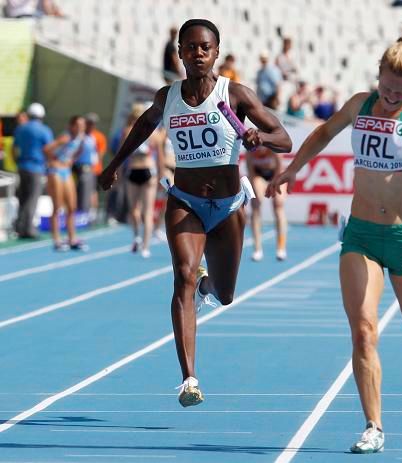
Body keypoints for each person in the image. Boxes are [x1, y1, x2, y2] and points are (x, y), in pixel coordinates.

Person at [267, 16, 402, 454]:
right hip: (362, 236)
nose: (390, 98)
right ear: (378, 77)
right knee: (363, 331)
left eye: (399, 92)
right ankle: (374, 426)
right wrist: (292, 169)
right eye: (386, 88)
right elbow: (321, 133)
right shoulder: (359, 104)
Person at [99, 19, 291, 407]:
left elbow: (284, 139)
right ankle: (189, 378)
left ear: (216, 52)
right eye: (190, 47)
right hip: (185, 200)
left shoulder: (234, 94)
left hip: (228, 205)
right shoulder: (166, 96)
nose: (198, 53)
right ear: (180, 53)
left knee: (225, 294)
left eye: (205, 47)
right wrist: (115, 162)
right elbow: (142, 127)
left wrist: (260, 137)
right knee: (183, 276)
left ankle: (210, 287)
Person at [122, 104, 164, 258]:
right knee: (142, 211)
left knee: (139, 210)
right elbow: (159, 157)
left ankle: (140, 240)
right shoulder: (153, 133)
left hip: (139, 170)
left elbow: (122, 154)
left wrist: (160, 175)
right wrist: (160, 175)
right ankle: (142, 243)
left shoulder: (129, 131)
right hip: (142, 170)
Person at [43, 115, 88, 251]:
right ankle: (57, 240)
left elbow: (78, 151)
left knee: (72, 206)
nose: (81, 128)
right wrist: (54, 159)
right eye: (78, 125)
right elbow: (46, 149)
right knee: (57, 206)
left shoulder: (81, 138)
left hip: (66, 171)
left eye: (82, 125)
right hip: (55, 171)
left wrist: (71, 160)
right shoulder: (65, 137)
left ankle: (72, 238)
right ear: (71, 126)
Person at [12, 103, 53, 239]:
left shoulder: (21, 129)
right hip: (36, 167)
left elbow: (14, 148)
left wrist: (17, 161)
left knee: (22, 198)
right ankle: (28, 228)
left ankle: (19, 226)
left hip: (22, 166)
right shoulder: (44, 130)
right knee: (32, 198)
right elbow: (49, 149)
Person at [246, 145, 287, 261]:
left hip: (276, 175)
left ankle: (281, 247)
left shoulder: (273, 148)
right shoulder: (250, 150)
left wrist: (273, 187)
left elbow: (279, 169)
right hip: (259, 175)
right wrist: (257, 194)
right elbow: (251, 173)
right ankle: (257, 249)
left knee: (278, 205)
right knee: (256, 204)